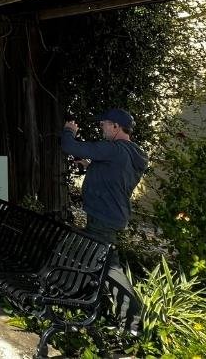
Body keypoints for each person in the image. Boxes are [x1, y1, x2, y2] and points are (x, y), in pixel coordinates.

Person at [61, 107, 148, 334]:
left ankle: (132, 324)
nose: (102, 128)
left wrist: (69, 131)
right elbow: (113, 176)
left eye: (104, 124)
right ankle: (74, 304)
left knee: (110, 267)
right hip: (109, 215)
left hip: (103, 218)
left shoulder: (116, 150)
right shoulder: (131, 153)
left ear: (117, 127)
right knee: (86, 258)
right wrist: (89, 166)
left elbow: (69, 146)